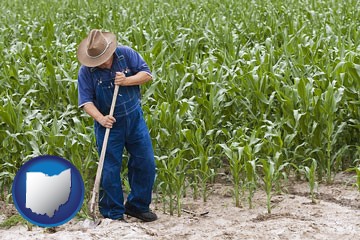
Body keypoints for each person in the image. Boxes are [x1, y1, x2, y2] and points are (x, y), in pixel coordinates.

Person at [76, 29, 157, 222]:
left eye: (103, 58)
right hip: (109, 125)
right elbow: (85, 101)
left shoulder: (126, 54)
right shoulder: (86, 72)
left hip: (134, 119)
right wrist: (101, 118)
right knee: (110, 169)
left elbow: (147, 75)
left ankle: (137, 206)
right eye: (97, 60)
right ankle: (113, 212)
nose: (102, 63)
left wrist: (127, 80)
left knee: (145, 162)